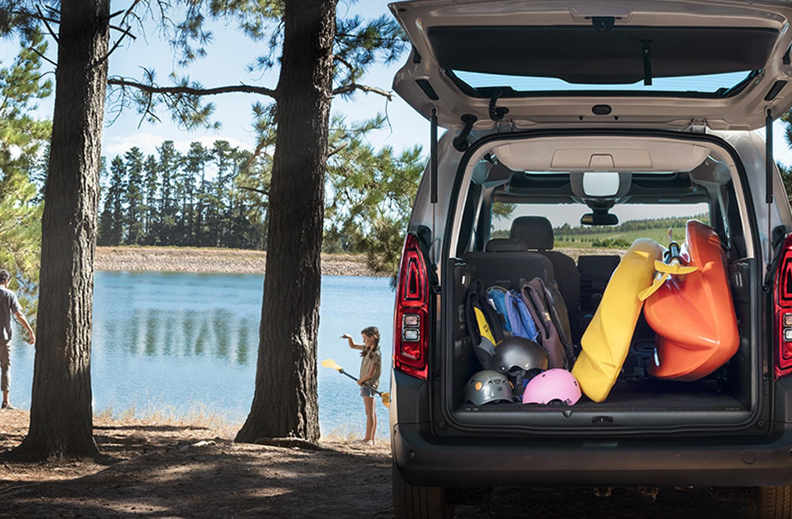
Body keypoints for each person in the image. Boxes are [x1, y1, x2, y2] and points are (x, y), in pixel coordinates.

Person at [0, 269, 35, 410]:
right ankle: (6, 402)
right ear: (7, 281)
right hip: (4, 338)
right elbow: (19, 314)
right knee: (6, 368)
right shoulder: (9, 294)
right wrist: (30, 331)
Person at [341, 326, 382, 445]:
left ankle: (368, 439)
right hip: (368, 384)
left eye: (365, 338)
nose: (363, 340)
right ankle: (370, 438)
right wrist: (350, 338)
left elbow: (371, 373)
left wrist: (361, 380)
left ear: (372, 338)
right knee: (371, 412)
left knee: (369, 412)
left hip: (369, 384)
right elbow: (353, 346)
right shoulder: (368, 349)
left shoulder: (376, 354)